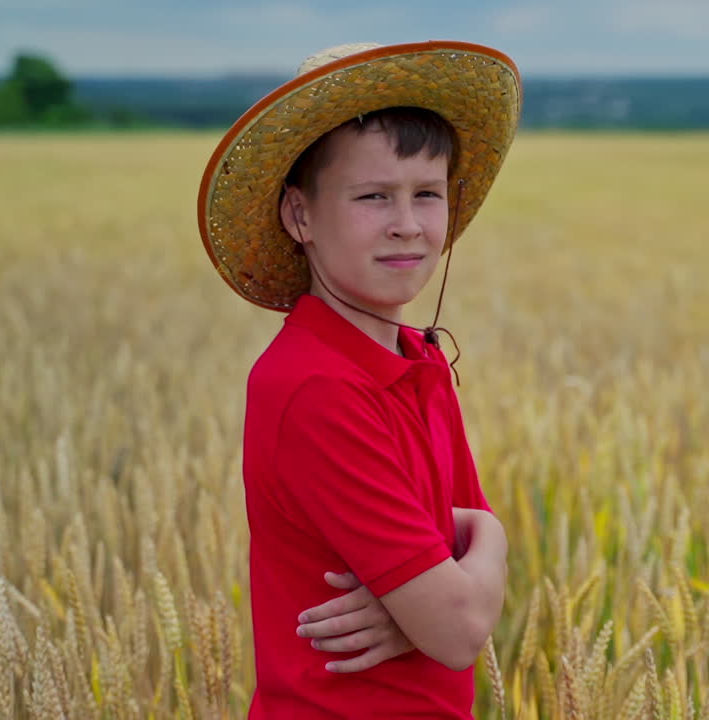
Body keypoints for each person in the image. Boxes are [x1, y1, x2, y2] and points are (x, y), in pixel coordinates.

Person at [196, 40, 522, 718]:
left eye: (427, 195)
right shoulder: (315, 387)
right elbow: (461, 627)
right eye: (373, 196)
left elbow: (459, 553)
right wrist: (481, 553)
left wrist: (442, 583)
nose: (407, 226)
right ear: (300, 216)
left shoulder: (418, 356)